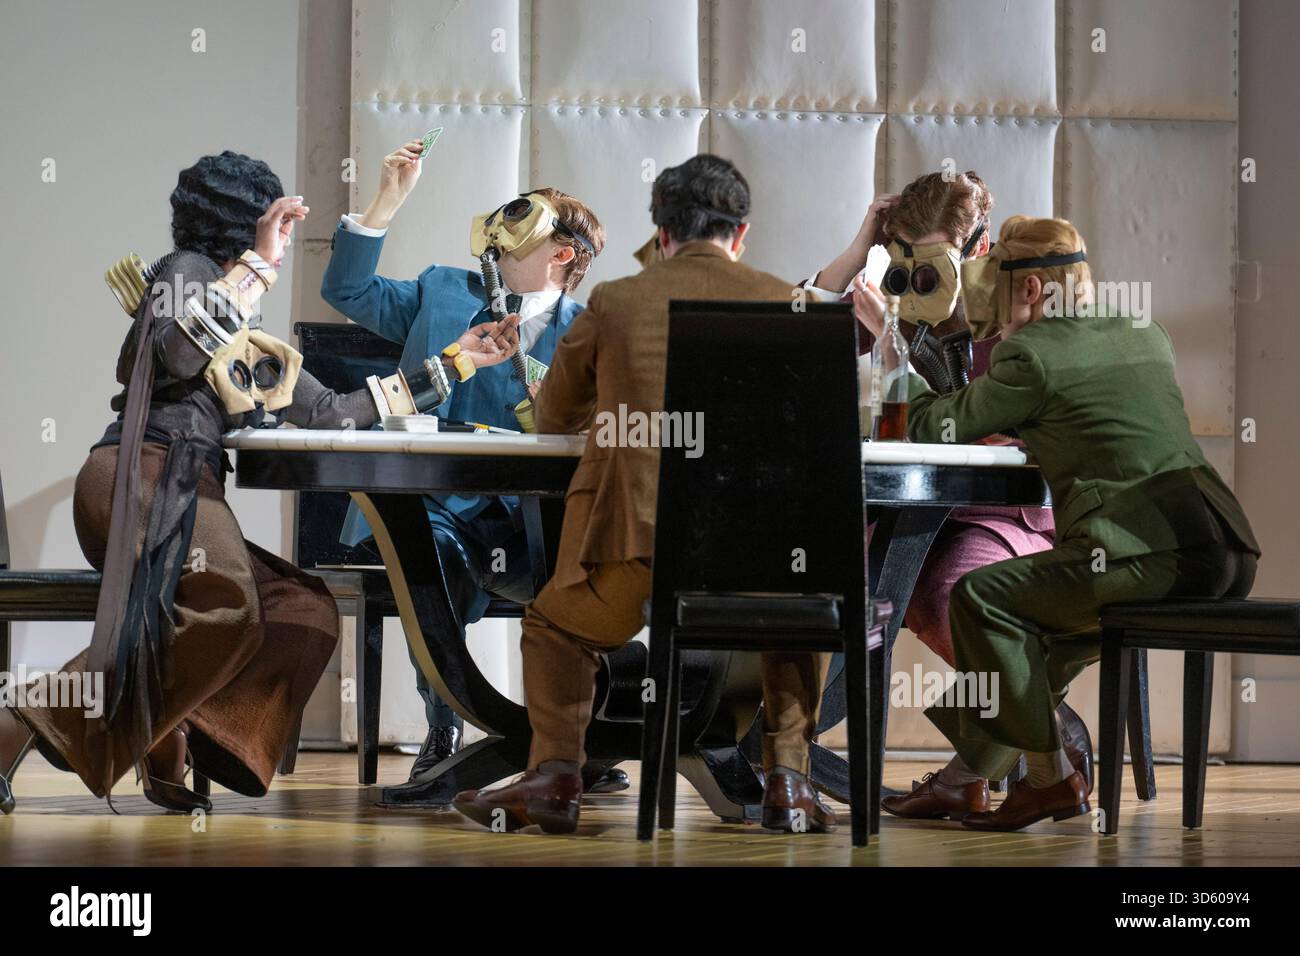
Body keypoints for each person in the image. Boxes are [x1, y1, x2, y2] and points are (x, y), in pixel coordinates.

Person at [0, 152, 521, 814]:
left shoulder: (235, 321)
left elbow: (331, 411)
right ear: (244, 223)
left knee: (304, 610)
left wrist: (457, 363)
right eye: (270, 219)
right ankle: (20, 723)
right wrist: (262, 264)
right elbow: (181, 351)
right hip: (146, 478)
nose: (277, 234)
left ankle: (181, 726)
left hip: (183, 488)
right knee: (227, 605)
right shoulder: (183, 273)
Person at [452, 154, 838, 835]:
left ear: (661, 233)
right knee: (794, 614)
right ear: (741, 234)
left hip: (640, 547)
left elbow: (554, 416)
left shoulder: (617, 301)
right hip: (762, 558)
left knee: (553, 626)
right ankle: (788, 782)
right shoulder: (792, 304)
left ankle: (556, 778)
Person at [869, 215, 1260, 831]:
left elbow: (933, 426)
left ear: (1029, 290)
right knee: (1043, 642)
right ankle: (962, 781)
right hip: (1225, 551)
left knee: (982, 598)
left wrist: (897, 365)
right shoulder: (1144, 330)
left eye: (996, 285)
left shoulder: (1033, 354)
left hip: (1143, 556)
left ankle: (1050, 783)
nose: (990, 305)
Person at [319, 139, 625, 792]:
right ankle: (447, 726)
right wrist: (386, 200)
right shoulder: (442, 291)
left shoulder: (588, 331)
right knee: (436, 563)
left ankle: (568, 745)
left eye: (523, 223)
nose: (499, 232)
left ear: (562, 254)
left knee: (596, 571)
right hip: (433, 507)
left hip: (530, 524)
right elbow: (345, 287)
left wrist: (550, 388)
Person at [811, 173, 1084, 817]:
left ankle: (1032, 743)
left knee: (951, 595)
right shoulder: (894, 311)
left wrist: (901, 357)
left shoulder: (1025, 310)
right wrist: (858, 254)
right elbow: (802, 326)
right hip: (909, 515)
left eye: (930, 266)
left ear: (980, 248)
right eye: (905, 264)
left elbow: (1036, 421)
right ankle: (1023, 744)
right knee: (872, 584)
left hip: (1006, 512)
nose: (916, 283)